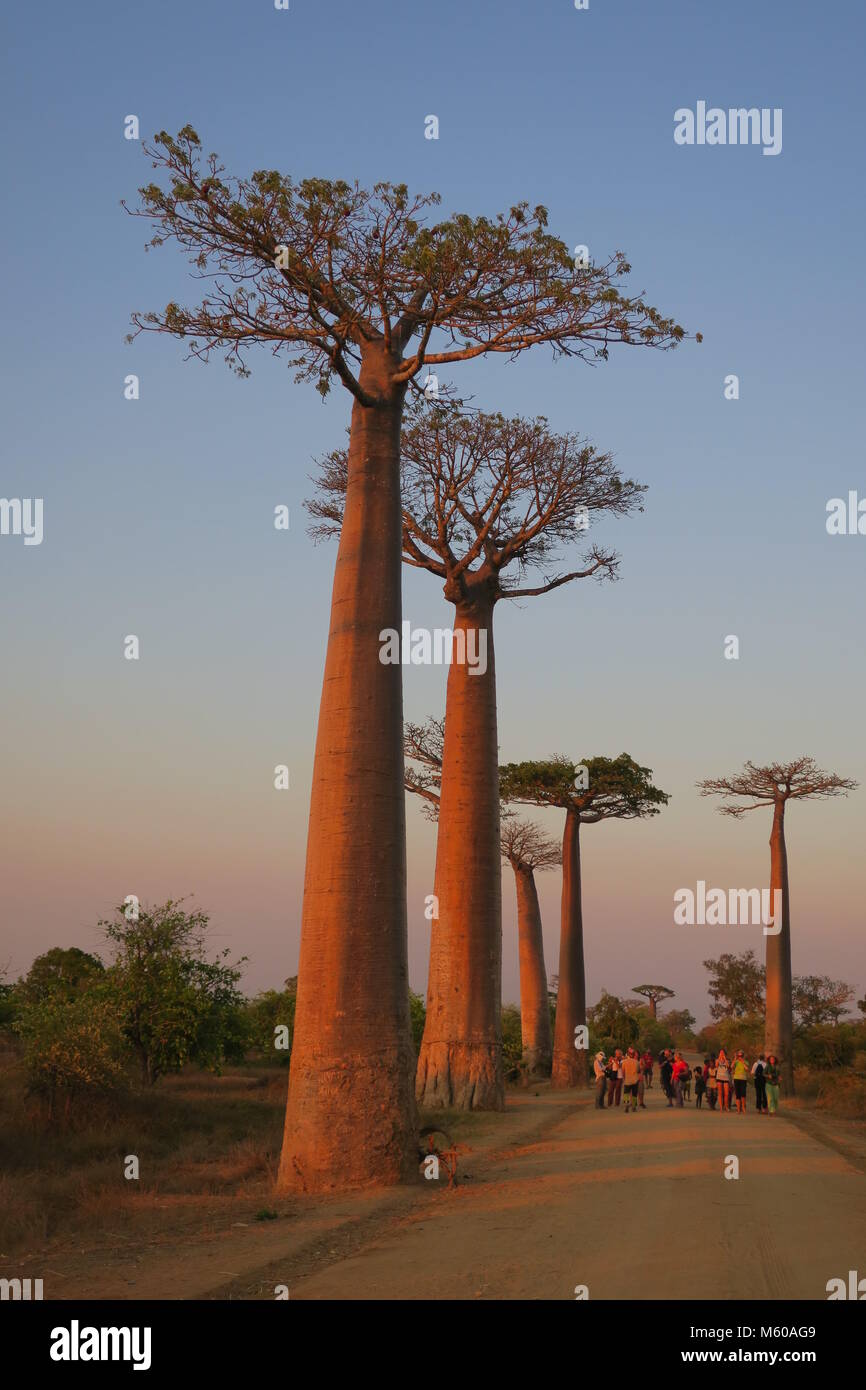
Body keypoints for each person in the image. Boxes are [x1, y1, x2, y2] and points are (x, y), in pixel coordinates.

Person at [622, 1046, 641, 1112]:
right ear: (633, 1055)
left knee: (626, 1094)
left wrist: (624, 1079)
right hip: (635, 1080)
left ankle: (626, 1106)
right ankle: (634, 1107)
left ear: (628, 1054)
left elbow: (623, 1072)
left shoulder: (624, 1062)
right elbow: (638, 1071)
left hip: (627, 1080)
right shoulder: (637, 1062)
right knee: (634, 1094)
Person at [732, 1049, 750, 1113]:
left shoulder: (746, 1062)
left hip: (743, 1079)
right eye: (739, 1056)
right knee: (737, 1094)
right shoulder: (736, 1061)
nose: (740, 1057)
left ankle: (743, 1108)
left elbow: (747, 1069)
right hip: (736, 1078)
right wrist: (735, 1059)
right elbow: (731, 1066)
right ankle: (738, 1109)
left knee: (743, 1094)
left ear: (743, 1056)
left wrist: (742, 1062)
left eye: (741, 1056)